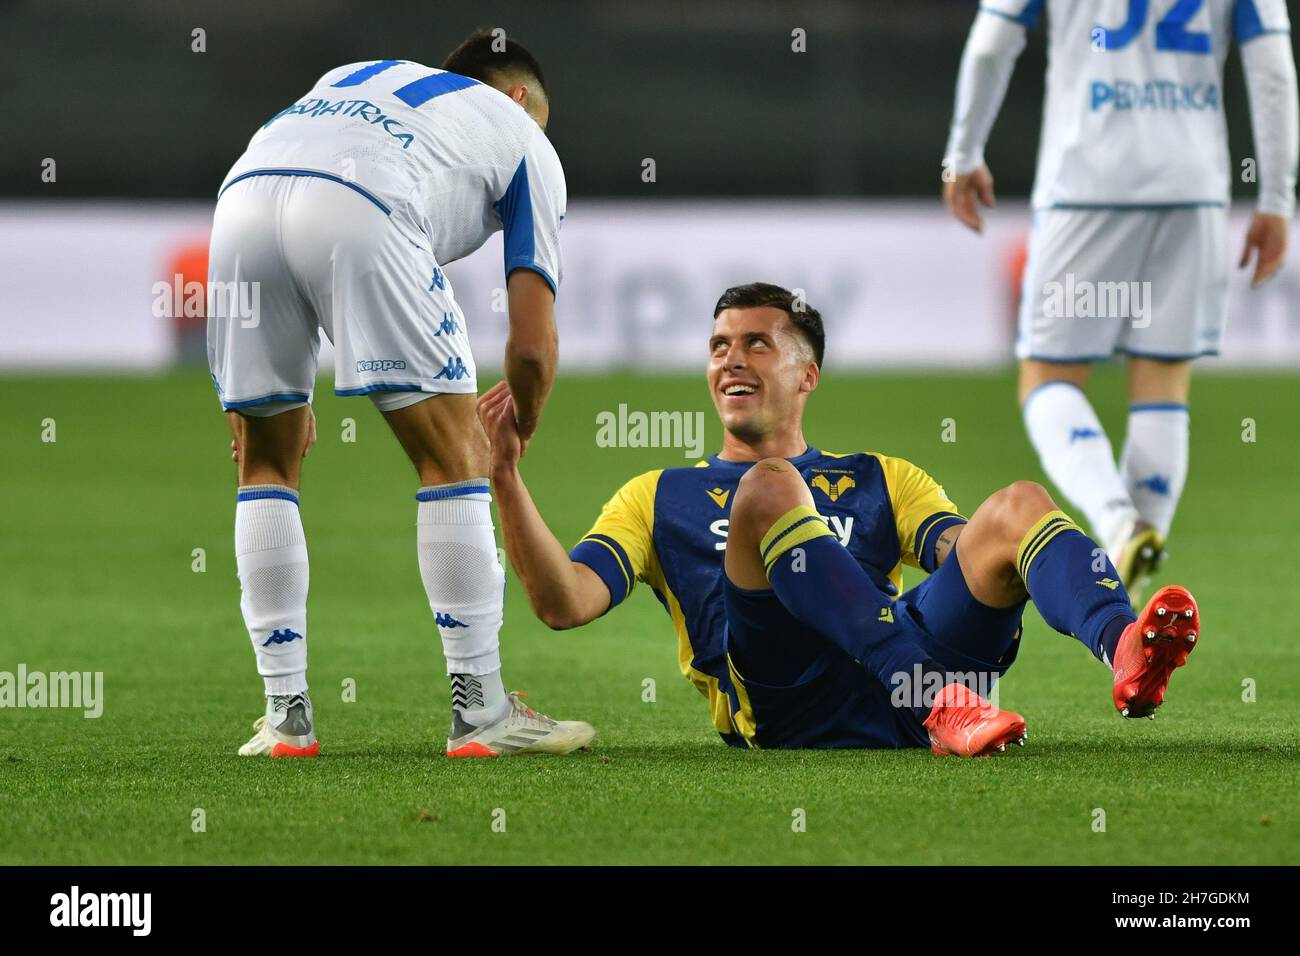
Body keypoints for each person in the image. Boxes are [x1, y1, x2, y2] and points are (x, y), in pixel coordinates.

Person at [479, 283, 1201, 756]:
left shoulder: (879, 477)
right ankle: (937, 698)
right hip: (784, 697)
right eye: (719, 347)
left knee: (1016, 504)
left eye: (756, 344)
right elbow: (562, 601)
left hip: (899, 685)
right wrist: (506, 477)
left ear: (807, 374)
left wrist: (1003, 557)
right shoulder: (659, 493)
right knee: (767, 490)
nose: (731, 360)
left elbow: (962, 554)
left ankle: (1124, 645)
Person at [207, 29, 593, 758]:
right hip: (365, 204)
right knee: (455, 457)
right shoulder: (525, 138)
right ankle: (480, 714)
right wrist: (521, 422)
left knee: (263, 463)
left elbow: (302, 178)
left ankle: (285, 718)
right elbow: (533, 343)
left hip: (241, 202)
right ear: (518, 98)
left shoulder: (358, 71)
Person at [942, 0, 1298, 598]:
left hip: (1088, 183)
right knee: (1162, 382)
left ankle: (1117, 523)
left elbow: (989, 44)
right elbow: (1273, 71)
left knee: (1046, 377)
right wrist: (1277, 200)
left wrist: (964, 150)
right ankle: (1138, 584)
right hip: (1193, 187)